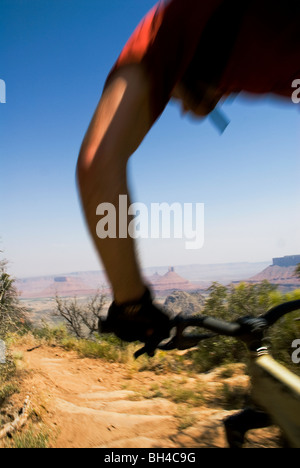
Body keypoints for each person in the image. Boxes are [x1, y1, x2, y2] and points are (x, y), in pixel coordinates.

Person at [76, 0, 300, 352]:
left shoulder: (166, 28)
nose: (180, 109)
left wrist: (132, 305)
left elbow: (98, 162)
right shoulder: (264, 69)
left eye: (172, 96)